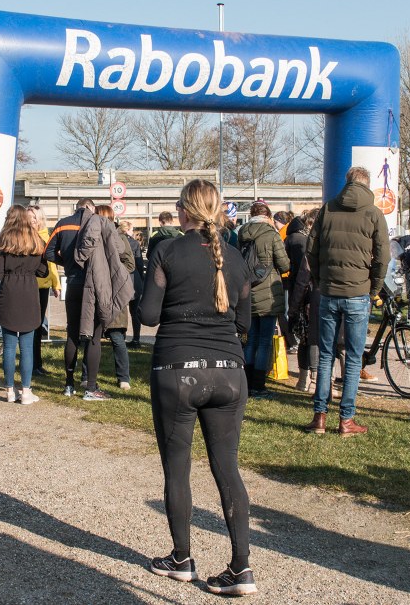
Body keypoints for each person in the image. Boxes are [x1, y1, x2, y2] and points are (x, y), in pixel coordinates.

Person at [139, 179, 256, 596]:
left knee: (178, 468)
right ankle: (241, 567)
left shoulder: (167, 250)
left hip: (177, 367)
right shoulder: (236, 258)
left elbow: (148, 315)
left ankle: (181, 558)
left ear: (185, 211)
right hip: (229, 370)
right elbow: (244, 322)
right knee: (227, 468)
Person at [305, 166, 389, 437]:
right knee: (353, 358)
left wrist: (320, 279)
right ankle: (346, 419)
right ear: (367, 184)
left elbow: (311, 249)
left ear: (347, 182)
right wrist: (374, 288)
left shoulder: (328, 209)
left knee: (326, 355)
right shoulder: (374, 213)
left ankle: (319, 417)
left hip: (329, 291)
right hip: (358, 293)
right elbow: (383, 257)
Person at [45, 198, 133, 400]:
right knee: (94, 337)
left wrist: (67, 263)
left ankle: (69, 384)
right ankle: (91, 387)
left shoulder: (62, 224)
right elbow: (117, 249)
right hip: (94, 284)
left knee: (72, 333)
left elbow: (48, 252)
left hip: (72, 283)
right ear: (91, 208)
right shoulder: (99, 223)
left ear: (76, 208)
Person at [0, 205, 49, 404]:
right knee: (27, 346)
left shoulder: (3, 241)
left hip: (9, 293)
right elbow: (43, 272)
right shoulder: (37, 240)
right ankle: (26, 391)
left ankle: (9, 390)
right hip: (29, 293)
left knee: (9, 345)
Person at [237, 201, 289, 399]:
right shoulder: (271, 234)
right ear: (268, 216)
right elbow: (284, 264)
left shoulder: (242, 233)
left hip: (248, 291)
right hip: (268, 292)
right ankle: (259, 385)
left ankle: (247, 382)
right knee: (265, 341)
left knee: (251, 340)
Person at [95, 205, 135, 390]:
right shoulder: (91, 235)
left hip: (114, 292)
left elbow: (130, 263)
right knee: (92, 337)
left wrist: (114, 275)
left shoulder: (120, 237)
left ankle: (123, 377)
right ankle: (88, 376)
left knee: (117, 337)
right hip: (96, 290)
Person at [27, 205, 61, 376]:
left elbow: (52, 264)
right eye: (29, 217)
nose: (32, 220)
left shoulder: (46, 235)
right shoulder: (25, 236)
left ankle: (37, 364)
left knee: (38, 325)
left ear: (40, 218)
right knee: (30, 326)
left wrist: (56, 284)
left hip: (44, 286)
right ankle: (31, 364)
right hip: (29, 285)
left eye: (34, 217)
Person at [285, 209, 315, 391]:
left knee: (304, 338)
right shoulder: (305, 242)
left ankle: (303, 379)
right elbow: (304, 274)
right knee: (314, 340)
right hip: (310, 295)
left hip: (300, 292)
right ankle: (313, 379)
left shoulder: (293, 237)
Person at [119, 219, 145, 348]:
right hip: (134, 279)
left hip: (121, 280)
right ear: (127, 230)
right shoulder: (134, 243)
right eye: (132, 229)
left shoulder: (117, 241)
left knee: (120, 311)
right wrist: (141, 279)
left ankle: (120, 337)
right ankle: (136, 339)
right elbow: (139, 264)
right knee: (135, 312)